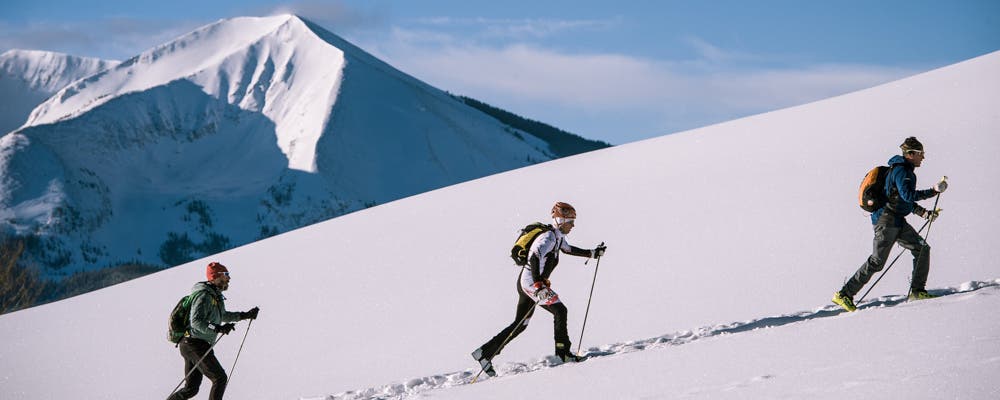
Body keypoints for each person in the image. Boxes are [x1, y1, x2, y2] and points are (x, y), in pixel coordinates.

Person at [472, 202, 607, 376]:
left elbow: (568, 249)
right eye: (570, 221)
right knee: (560, 310)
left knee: (521, 324)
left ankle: (484, 353)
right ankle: (563, 353)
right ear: (560, 220)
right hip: (531, 283)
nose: (573, 225)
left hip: (528, 283)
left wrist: (592, 253)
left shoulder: (557, 237)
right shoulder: (548, 238)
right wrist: (538, 285)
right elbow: (535, 257)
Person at [833, 137, 947, 312]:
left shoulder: (904, 171)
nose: (923, 157)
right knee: (877, 261)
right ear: (910, 155)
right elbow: (908, 196)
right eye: (920, 154)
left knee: (922, 248)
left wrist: (923, 213)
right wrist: (933, 191)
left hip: (895, 220)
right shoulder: (902, 171)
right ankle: (844, 294)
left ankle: (917, 291)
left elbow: (901, 199)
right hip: (886, 221)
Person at [167, 262, 259, 400]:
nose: (229, 278)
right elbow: (197, 322)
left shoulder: (215, 296)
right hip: (194, 344)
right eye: (226, 274)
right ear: (216, 276)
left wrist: (244, 315)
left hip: (194, 344)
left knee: (191, 389)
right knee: (219, 378)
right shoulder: (204, 296)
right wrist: (217, 328)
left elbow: (223, 316)